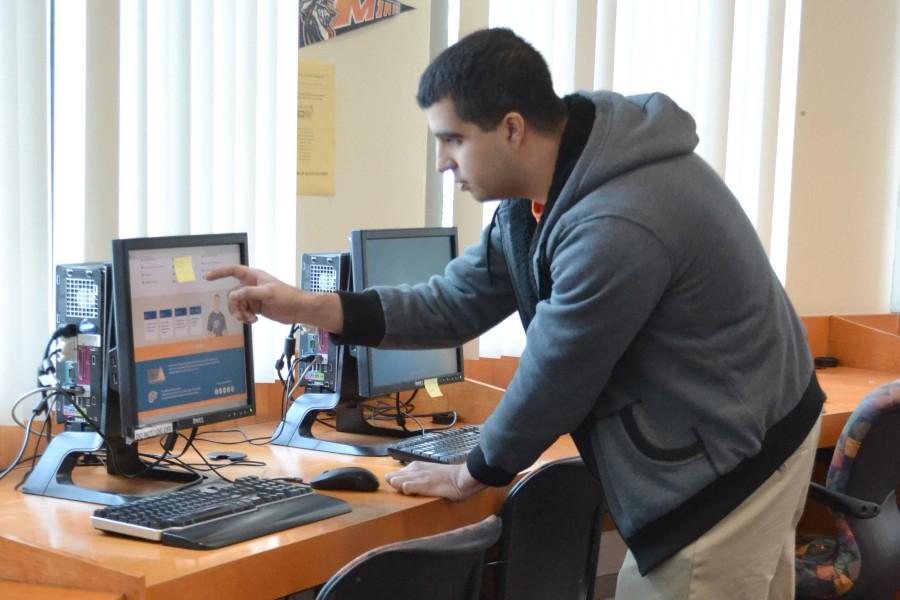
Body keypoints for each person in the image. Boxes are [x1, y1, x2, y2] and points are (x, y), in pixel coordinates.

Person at [208, 28, 823, 600]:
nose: (442, 162)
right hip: (748, 427)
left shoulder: (615, 220)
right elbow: (453, 302)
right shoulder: (543, 199)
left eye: (452, 139)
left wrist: (473, 472)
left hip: (731, 460)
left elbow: (558, 372)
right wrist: (307, 305)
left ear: (511, 128)